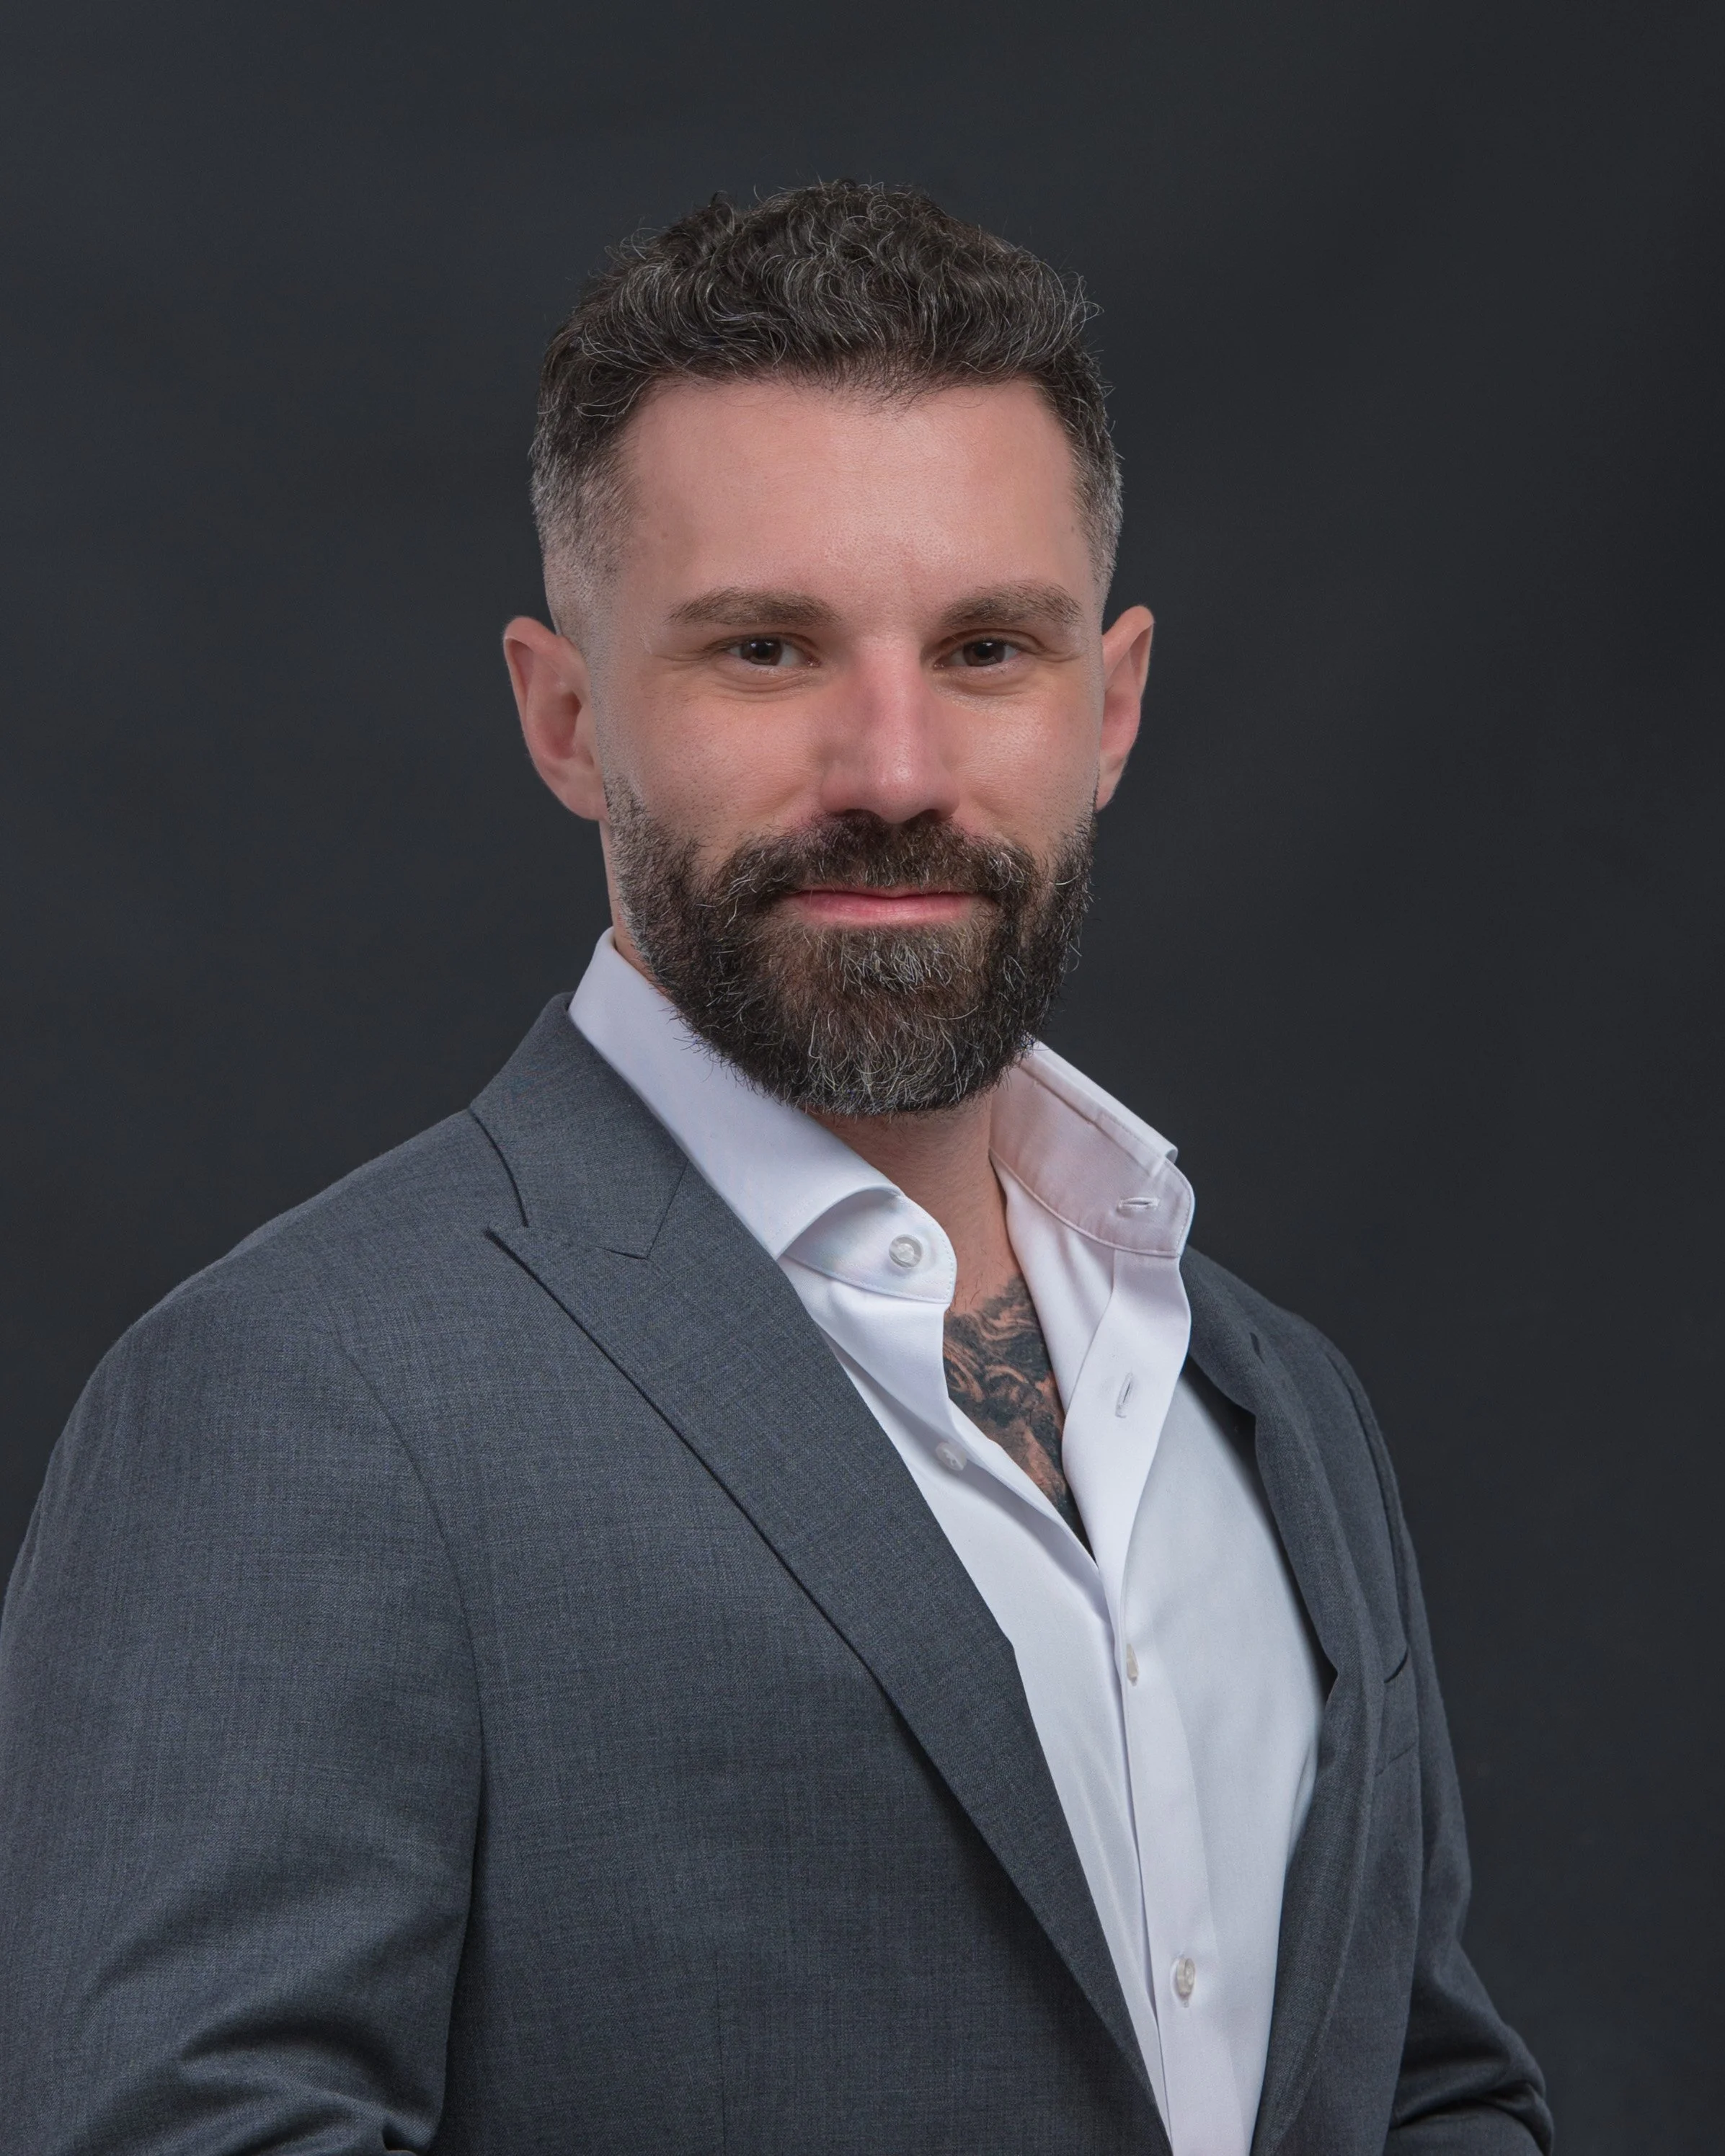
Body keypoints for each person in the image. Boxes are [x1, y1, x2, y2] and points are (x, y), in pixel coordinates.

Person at [0, 182, 1551, 2156]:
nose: (893, 761)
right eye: (765, 648)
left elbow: (1435, 2090)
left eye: (988, 645)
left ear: (1115, 704)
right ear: (567, 717)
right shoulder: (297, 1404)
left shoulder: (1277, 1408)